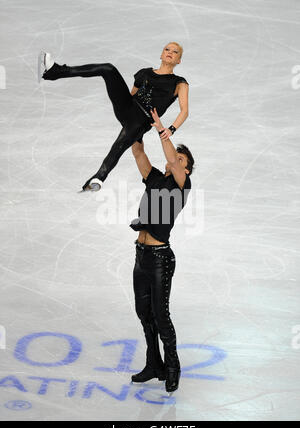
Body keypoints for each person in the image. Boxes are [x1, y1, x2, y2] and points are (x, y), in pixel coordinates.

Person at [38, 42, 189, 192]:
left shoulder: (179, 83)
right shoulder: (144, 73)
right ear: (161, 54)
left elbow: (184, 111)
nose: (170, 52)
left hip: (142, 119)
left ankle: (99, 177)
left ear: (179, 60)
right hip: (128, 108)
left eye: (175, 52)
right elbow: (132, 94)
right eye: (167, 49)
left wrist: (172, 129)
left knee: (120, 144)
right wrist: (125, 114)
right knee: (108, 69)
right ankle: (56, 71)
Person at [130, 108, 194, 394]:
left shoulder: (182, 184)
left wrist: (160, 128)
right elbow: (139, 154)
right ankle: (153, 363)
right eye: (175, 158)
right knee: (144, 313)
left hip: (160, 260)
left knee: (161, 314)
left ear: (186, 169)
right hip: (141, 256)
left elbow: (171, 158)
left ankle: (172, 368)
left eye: (181, 160)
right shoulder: (155, 178)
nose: (175, 161)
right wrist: (133, 126)